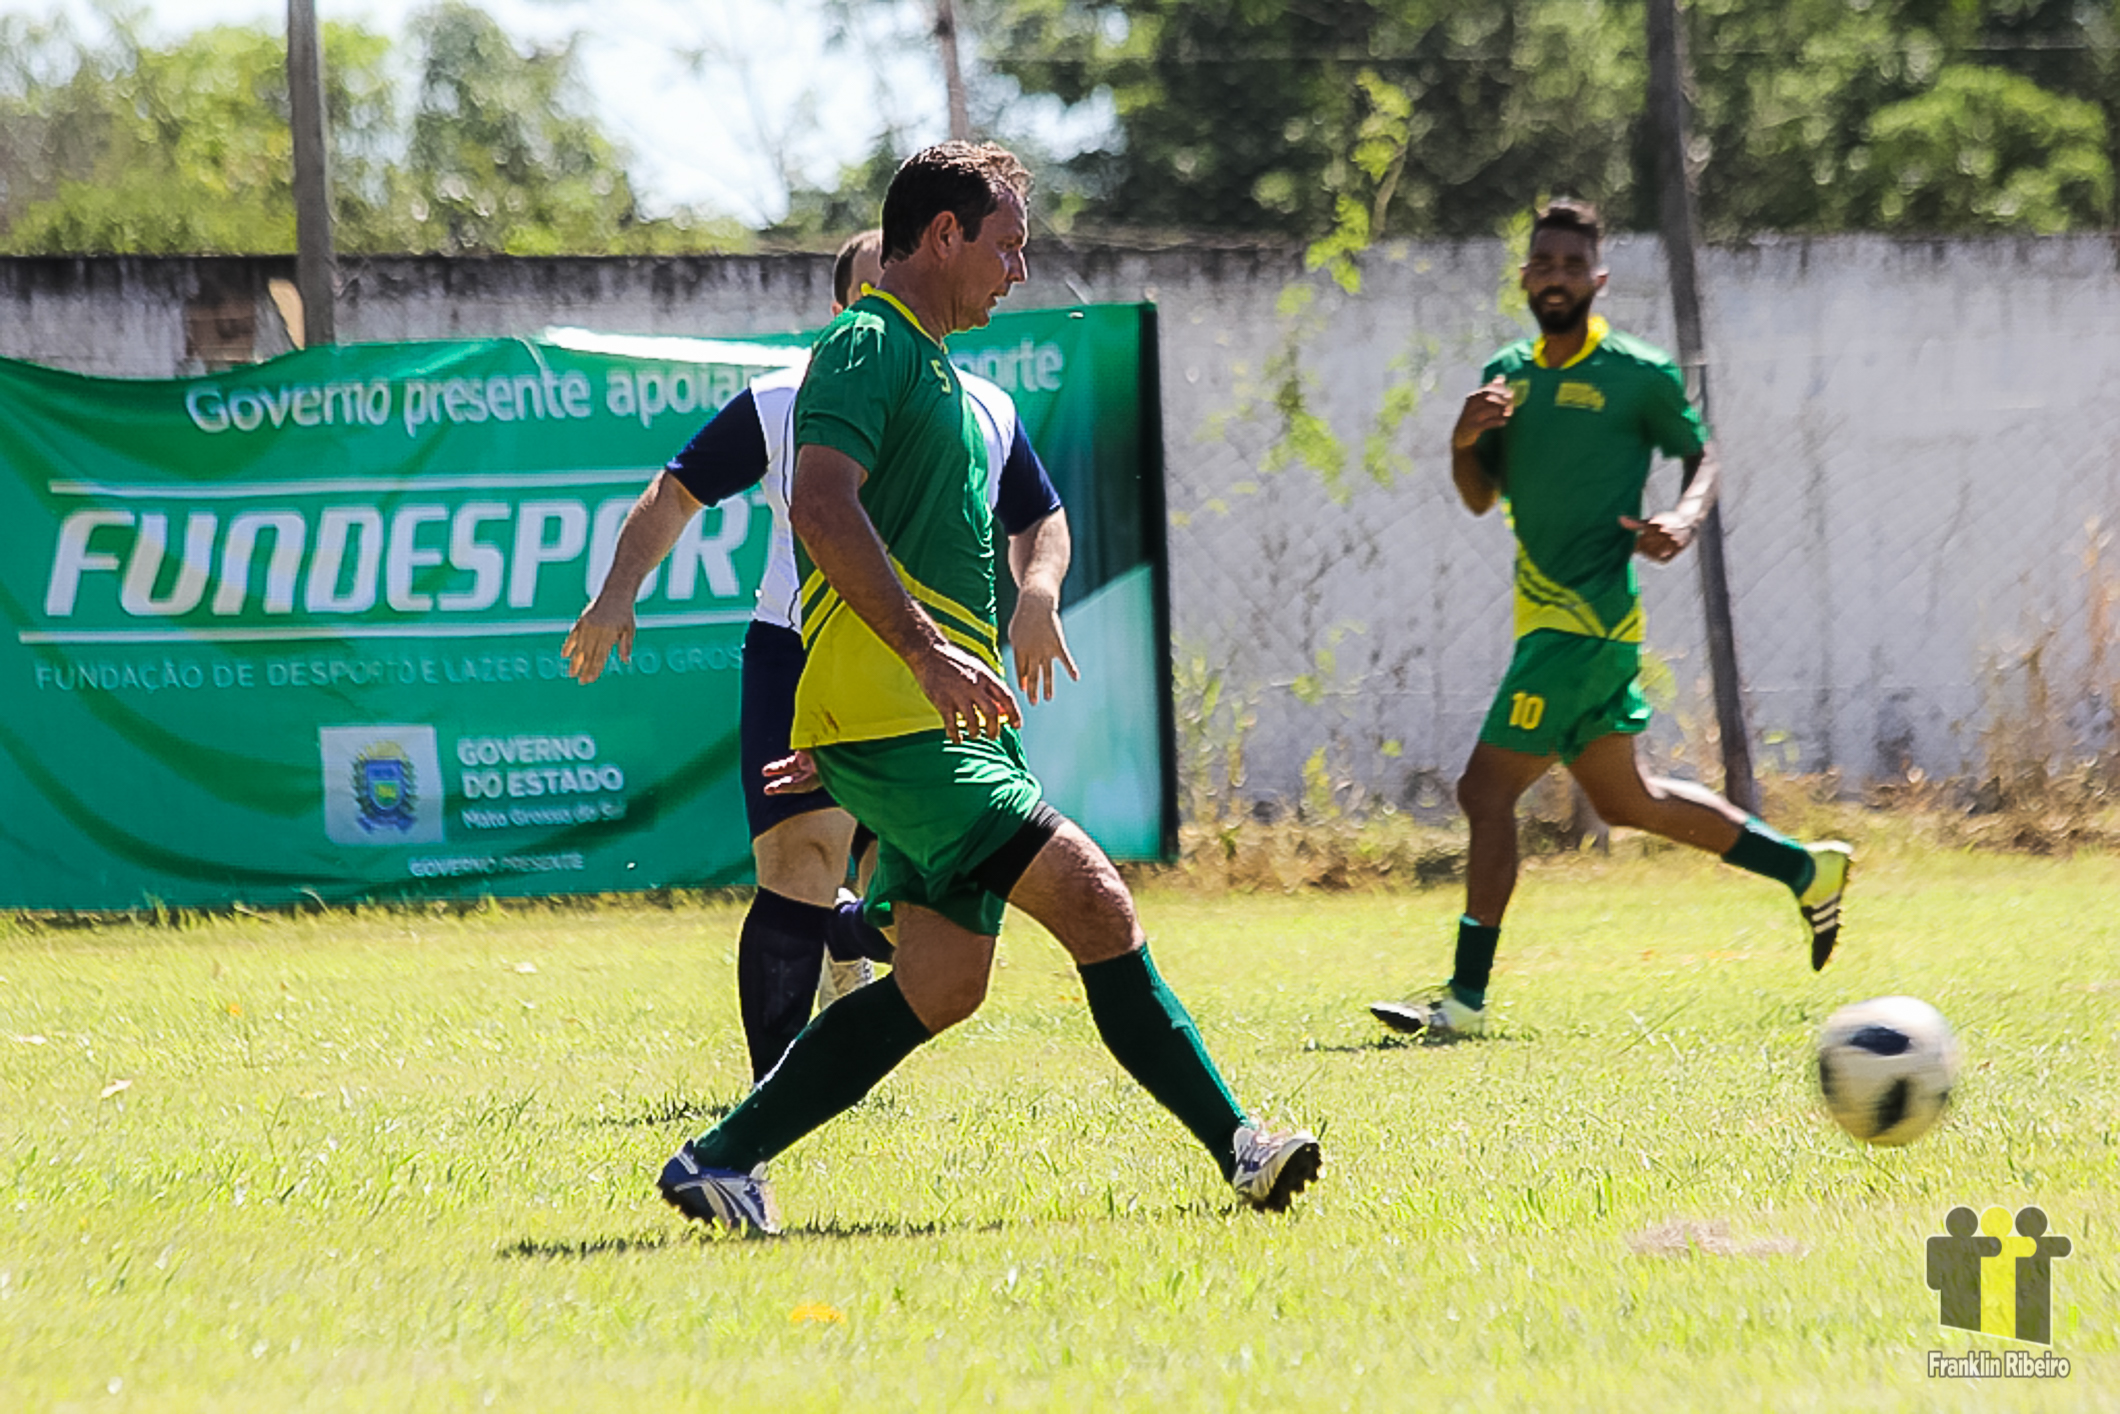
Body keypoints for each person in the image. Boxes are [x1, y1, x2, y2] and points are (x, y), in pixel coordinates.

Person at [656, 140, 1322, 1232]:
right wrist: (914, 664)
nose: (1018, 271)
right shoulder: (866, 343)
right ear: (942, 235)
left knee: (943, 982)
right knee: (1097, 900)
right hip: (909, 723)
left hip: (924, 728)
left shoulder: (946, 380)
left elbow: (997, 529)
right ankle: (1241, 1146)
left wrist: (898, 694)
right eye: (1007, 246)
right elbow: (819, 509)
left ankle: (719, 1158)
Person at [563, 229, 1079, 1085]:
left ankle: (847, 934)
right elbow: (678, 490)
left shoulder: (982, 405)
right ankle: (773, 1091)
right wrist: (617, 590)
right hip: (801, 656)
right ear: (841, 312)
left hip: (937, 671)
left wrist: (1039, 593)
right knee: (799, 862)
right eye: (872, 294)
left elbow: (1039, 515)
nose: (892, 310)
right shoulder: (785, 398)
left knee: (922, 899)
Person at [1370, 198, 1851, 1040]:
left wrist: (1685, 518)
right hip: (1548, 620)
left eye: (1571, 265)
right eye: (1543, 264)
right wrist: (1461, 439)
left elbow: (1704, 454)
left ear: (1597, 279)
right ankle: (1806, 870)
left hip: (1584, 621)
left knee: (1485, 789)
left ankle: (1466, 1001)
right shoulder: (1506, 374)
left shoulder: (1638, 373)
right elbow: (1480, 497)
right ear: (1525, 278)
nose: (1556, 278)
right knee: (1628, 800)